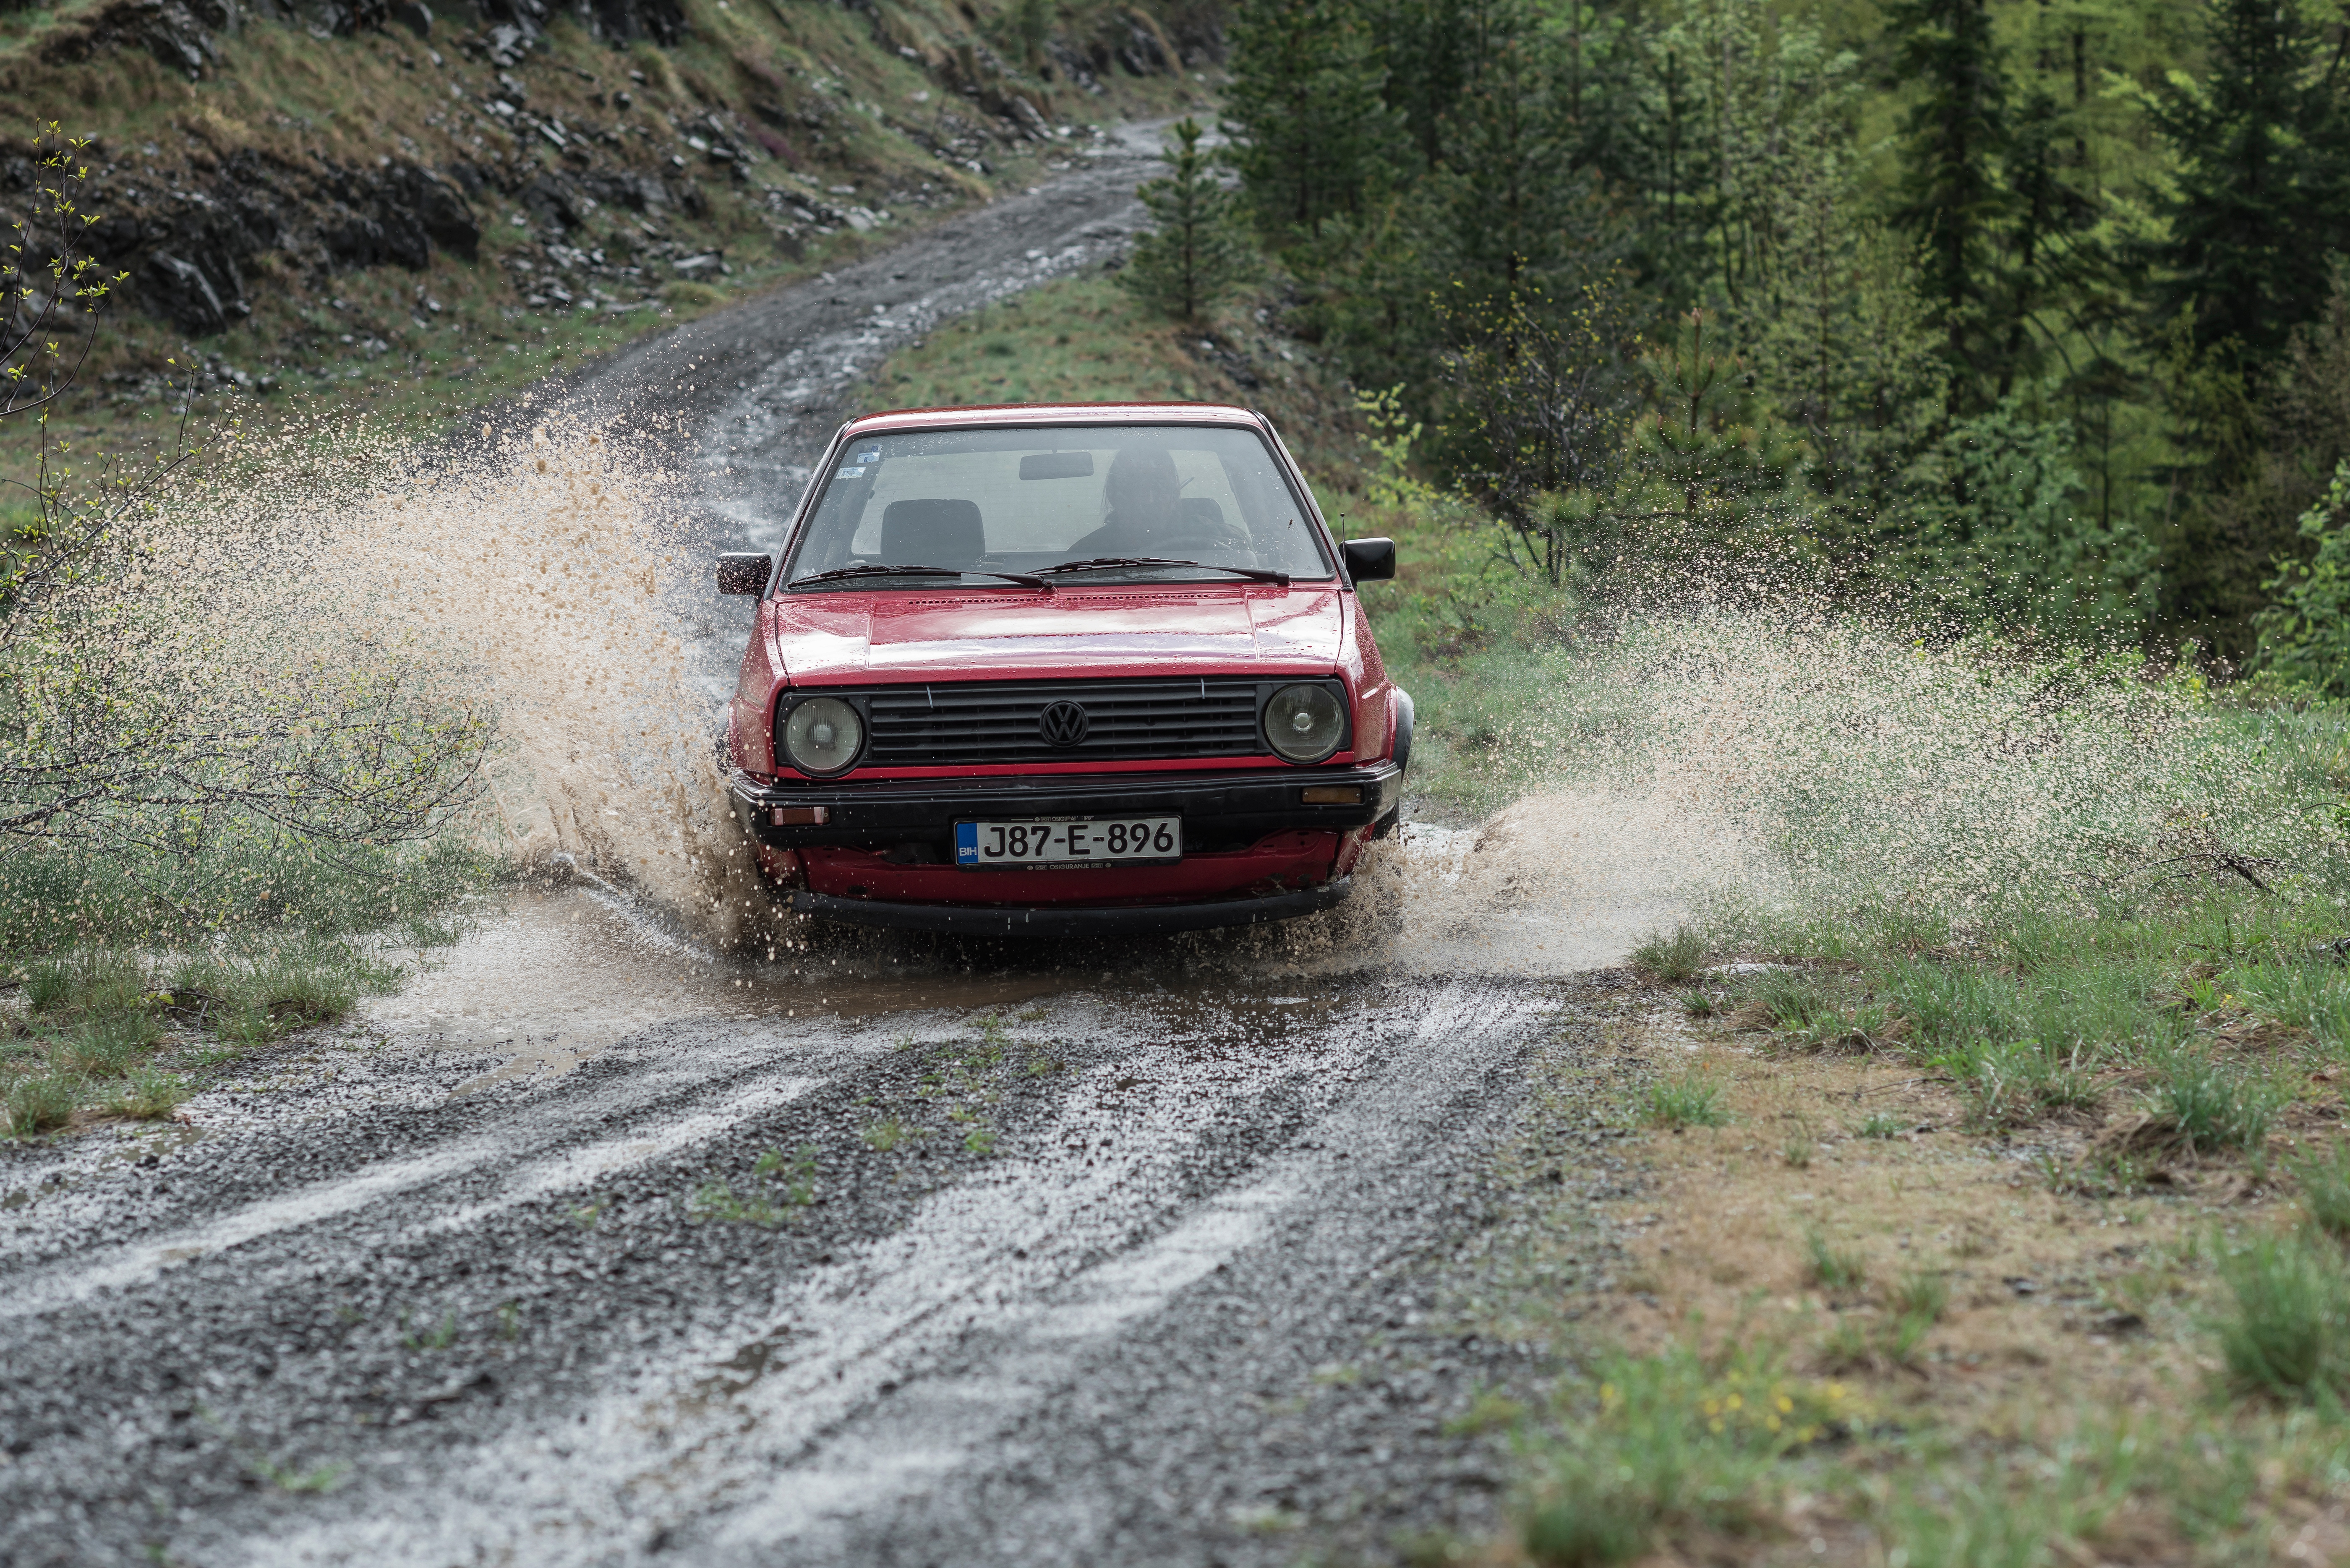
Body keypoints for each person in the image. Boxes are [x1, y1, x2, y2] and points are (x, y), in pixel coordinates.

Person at [1066, 446, 1182, 556]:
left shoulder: (1198, 541)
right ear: (1113, 495)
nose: (1148, 500)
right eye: (1133, 485)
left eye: (1159, 485)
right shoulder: (1084, 555)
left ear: (1175, 494)